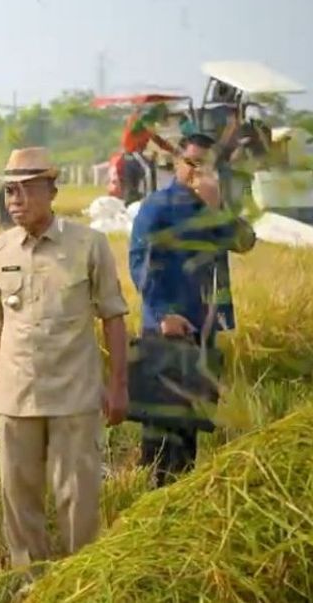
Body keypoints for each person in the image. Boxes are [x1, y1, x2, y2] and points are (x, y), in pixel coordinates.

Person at [0, 147, 129, 569]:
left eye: (25, 190)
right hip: (15, 395)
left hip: (74, 395)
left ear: (52, 191)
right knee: (18, 497)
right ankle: (30, 580)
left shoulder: (89, 245)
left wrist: (118, 387)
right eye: (9, 192)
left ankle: (81, 579)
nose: (16, 200)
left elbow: (113, 316)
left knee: (78, 497)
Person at [129, 133, 256, 487]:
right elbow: (140, 263)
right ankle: (151, 501)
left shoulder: (211, 209)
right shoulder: (157, 207)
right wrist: (164, 314)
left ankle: (179, 494)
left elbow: (245, 242)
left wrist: (217, 209)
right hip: (166, 332)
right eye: (192, 163)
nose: (198, 172)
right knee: (160, 428)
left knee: (191, 427)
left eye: (206, 165)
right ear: (176, 163)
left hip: (203, 331)